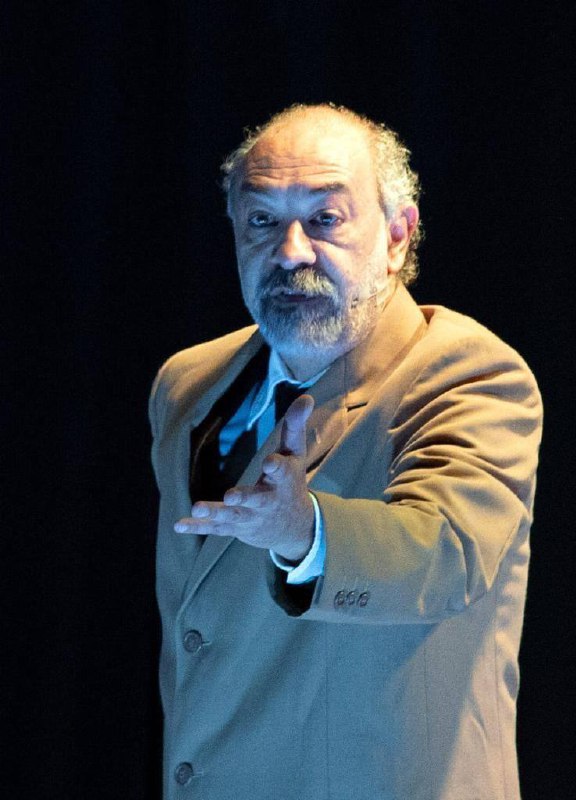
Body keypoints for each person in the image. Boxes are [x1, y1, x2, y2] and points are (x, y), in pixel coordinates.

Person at [149, 103, 542, 800]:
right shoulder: (188, 384)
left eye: (325, 218)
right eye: (261, 220)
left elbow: (448, 551)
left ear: (396, 235)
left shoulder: (466, 371)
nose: (290, 251)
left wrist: (306, 533)